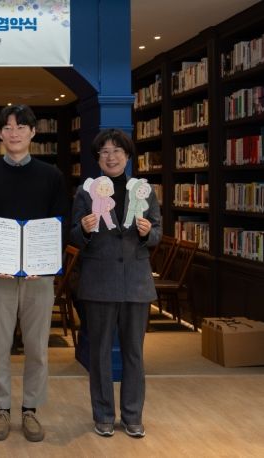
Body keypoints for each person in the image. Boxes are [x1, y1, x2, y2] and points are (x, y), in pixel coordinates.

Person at [0, 104, 68, 442]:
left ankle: (30, 410)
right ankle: (1, 409)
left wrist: (44, 261)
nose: (14, 133)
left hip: (40, 275)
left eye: (21, 127)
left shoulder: (51, 175)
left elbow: (60, 220)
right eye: (8, 128)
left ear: (33, 132)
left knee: (37, 346)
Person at [69, 128, 161, 438]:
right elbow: (73, 236)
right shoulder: (86, 192)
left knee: (134, 352)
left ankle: (133, 416)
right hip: (99, 283)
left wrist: (148, 233)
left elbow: (158, 233)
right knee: (100, 353)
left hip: (136, 283)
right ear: (98, 159)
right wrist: (84, 228)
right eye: (104, 152)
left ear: (128, 156)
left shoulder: (144, 191)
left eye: (117, 151)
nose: (111, 157)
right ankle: (104, 415)